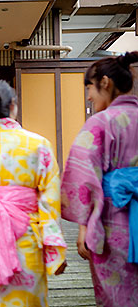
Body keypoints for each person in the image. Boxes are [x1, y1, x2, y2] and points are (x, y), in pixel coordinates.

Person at [0, 77, 67, 307]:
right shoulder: (39, 145)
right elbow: (49, 202)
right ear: (13, 106)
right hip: (27, 242)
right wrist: (53, 246)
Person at [61, 51, 138, 307]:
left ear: (104, 83)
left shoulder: (100, 123)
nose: (88, 96)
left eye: (89, 87)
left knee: (117, 295)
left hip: (114, 222)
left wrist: (83, 225)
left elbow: (83, 178)